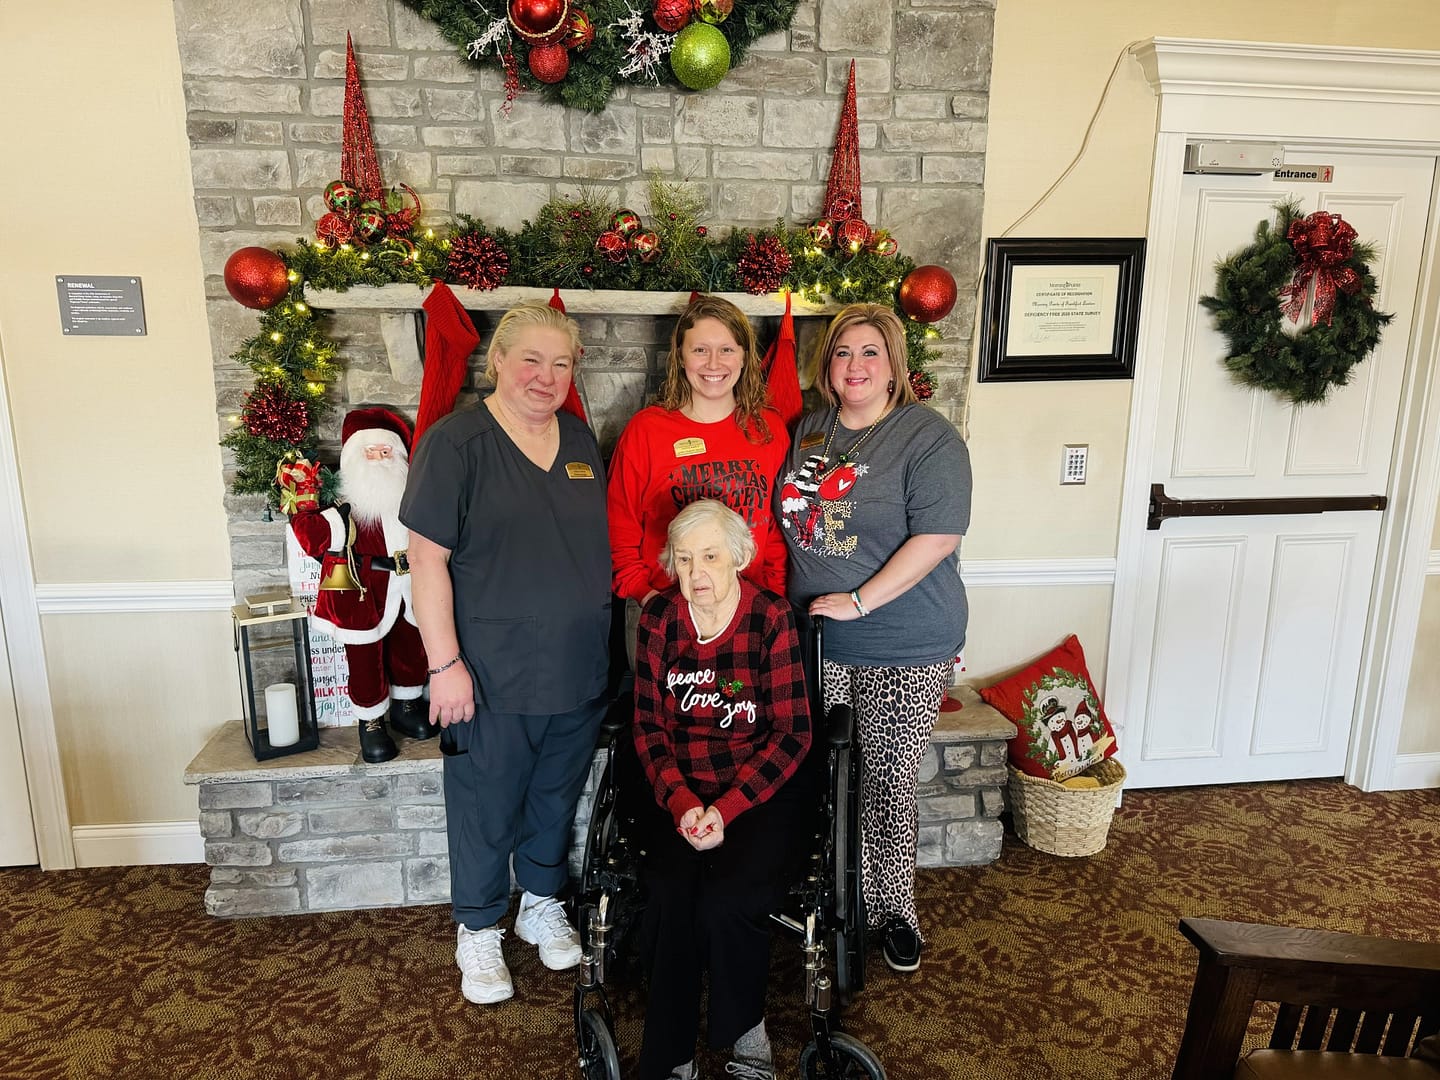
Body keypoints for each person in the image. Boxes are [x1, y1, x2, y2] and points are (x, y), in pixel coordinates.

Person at [399, 302, 611, 1005]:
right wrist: (443, 664)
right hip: (488, 673)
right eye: (531, 360)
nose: (545, 377)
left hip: (578, 669)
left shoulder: (580, 442)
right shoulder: (455, 443)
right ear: (497, 361)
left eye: (560, 364)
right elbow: (426, 561)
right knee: (486, 805)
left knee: (555, 797)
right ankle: (480, 928)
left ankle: (540, 904)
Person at [776, 302, 971, 974]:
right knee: (826, 778)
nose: (854, 366)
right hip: (817, 642)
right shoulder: (810, 431)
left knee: (886, 782)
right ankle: (833, 899)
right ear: (826, 366)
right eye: (841, 353)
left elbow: (938, 536)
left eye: (869, 353)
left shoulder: (927, 438)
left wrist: (860, 601)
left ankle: (893, 911)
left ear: (893, 366)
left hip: (900, 640)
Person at [632, 500, 811, 1080]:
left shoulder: (771, 619)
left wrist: (727, 808)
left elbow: (792, 734)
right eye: (684, 560)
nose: (697, 573)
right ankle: (671, 1053)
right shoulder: (659, 619)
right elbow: (648, 728)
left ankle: (744, 1030)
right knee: (667, 895)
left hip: (756, 792)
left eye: (710, 556)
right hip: (678, 791)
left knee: (730, 899)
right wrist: (684, 804)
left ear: (738, 556)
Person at [608, 294, 791, 667]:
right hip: (665, 611)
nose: (713, 364)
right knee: (665, 723)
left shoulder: (768, 429)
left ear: (744, 356)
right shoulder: (647, 430)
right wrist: (646, 597)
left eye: (726, 349)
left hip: (748, 613)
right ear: (680, 355)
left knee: (743, 722)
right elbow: (618, 525)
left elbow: (774, 527)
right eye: (700, 350)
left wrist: (771, 598)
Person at [286, 407, 435, 764]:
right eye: (372, 452)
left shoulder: (413, 496)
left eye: (387, 452)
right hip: (361, 590)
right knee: (366, 660)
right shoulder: (344, 505)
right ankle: (370, 722)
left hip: (409, 586)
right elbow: (313, 538)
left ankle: (408, 702)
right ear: (355, 456)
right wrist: (302, 503)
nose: (380, 459)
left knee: (411, 648)